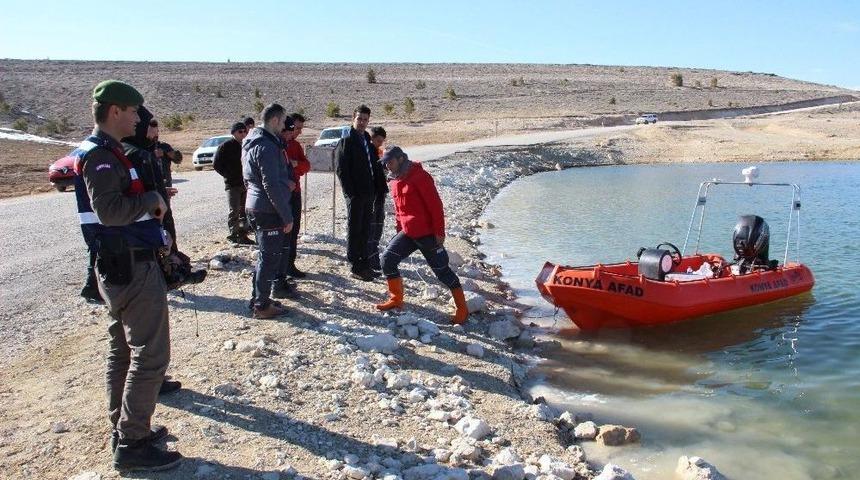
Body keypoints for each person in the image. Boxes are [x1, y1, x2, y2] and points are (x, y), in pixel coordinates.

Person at [73, 80, 182, 471]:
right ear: (115, 111)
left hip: (122, 263)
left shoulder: (108, 153)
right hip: (130, 266)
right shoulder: (100, 157)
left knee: (123, 350)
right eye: (134, 111)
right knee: (151, 354)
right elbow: (110, 211)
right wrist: (152, 200)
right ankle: (132, 442)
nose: (139, 119)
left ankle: (124, 428)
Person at [375, 146, 468, 324]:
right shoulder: (393, 180)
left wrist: (440, 233)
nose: (387, 166)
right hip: (407, 233)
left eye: (390, 162)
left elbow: (435, 206)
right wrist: (398, 230)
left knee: (443, 273)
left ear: (401, 159)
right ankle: (396, 299)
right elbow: (398, 210)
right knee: (387, 260)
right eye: (385, 163)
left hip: (427, 234)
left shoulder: (420, 176)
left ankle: (462, 309)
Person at [243, 103, 293, 319]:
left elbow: (249, 179)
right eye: (282, 122)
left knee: (265, 256)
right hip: (268, 209)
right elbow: (270, 184)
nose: (283, 127)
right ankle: (262, 306)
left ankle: (258, 299)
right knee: (270, 257)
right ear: (274, 121)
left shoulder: (252, 142)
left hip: (257, 206)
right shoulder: (266, 146)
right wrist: (286, 215)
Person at [335, 105, 385, 281]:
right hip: (356, 195)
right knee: (355, 229)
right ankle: (355, 265)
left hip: (369, 193)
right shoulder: (347, 141)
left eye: (365, 119)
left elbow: (374, 166)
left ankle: (365, 264)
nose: (362, 122)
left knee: (366, 229)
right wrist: (350, 194)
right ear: (353, 119)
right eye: (359, 119)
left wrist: (379, 189)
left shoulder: (366, 140)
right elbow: (342, 170)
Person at [213, 122, 254, 245]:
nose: (243, 134)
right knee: (234, 210)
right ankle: (233, 235)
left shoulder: (247, 145)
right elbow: (216, 164)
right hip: (232, 184)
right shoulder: (225, 146)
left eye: (244, 131)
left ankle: (243, 235)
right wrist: (228, 175)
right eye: (239, 132)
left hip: (245, 183)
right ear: (233, 133)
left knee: (244, 211)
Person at [282, 112, 311, 278]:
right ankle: (281, 269)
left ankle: (290, 264)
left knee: (294, 230)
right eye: (297, 128)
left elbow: (306, 166)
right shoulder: (277, 145)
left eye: (300, 128)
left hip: (295, 192)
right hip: (281, 195)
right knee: (284, 231)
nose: (299, 131)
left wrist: (295, 164)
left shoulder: (295, 146)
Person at [368, 126, 388, 272]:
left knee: (378, 226)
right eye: (378, 141)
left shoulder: (379, 152)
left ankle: (373, 257)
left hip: (380, 194)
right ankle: (370, 258)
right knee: (372, 227)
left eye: (381, 141)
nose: (379, 144)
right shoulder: (367, 152)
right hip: (372, 195)